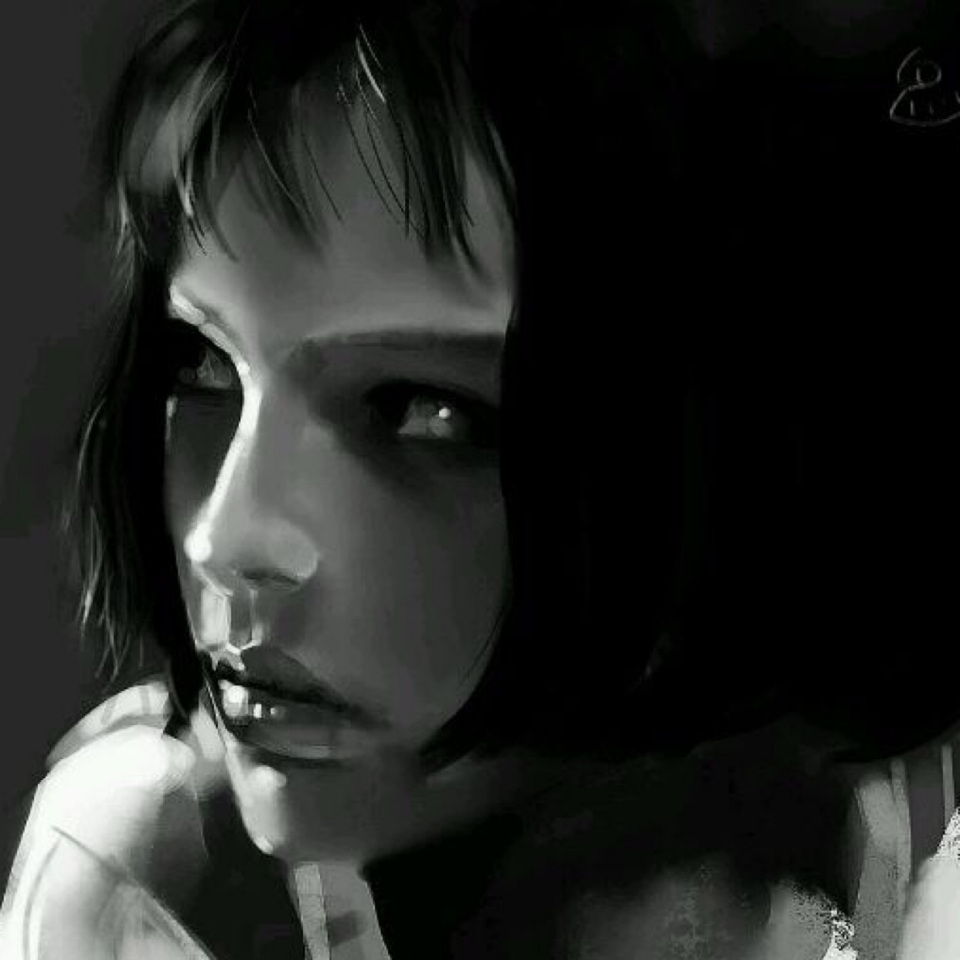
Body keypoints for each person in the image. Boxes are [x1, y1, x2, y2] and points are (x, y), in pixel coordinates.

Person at [1, 0, 959, 957]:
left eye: (422, 410)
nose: (225, 538)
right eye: (204, 364)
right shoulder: (146, 870)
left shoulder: (917, 874)